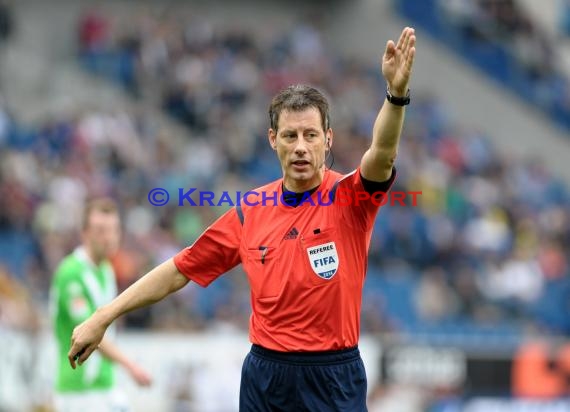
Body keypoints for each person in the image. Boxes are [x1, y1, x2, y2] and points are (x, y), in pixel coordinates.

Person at [68, 27, 416, 411]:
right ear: (272, 139)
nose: (300, 146)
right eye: (289, 136)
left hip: (332, 377)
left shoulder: (351, 199)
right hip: (265, 377)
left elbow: (382, 153)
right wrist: (104, 316)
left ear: (328, 140)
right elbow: (179, 269)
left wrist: (395, 96)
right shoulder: (250, 210)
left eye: (310, 135)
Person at [50, 197, 152, 412]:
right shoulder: (71, 273)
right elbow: (90, 331)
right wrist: (130, 365)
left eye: (114, 229)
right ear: (85, 233)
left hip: (105, 386)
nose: (108, 237)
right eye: (100, 230)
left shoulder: (106, 270)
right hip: (79, 390)